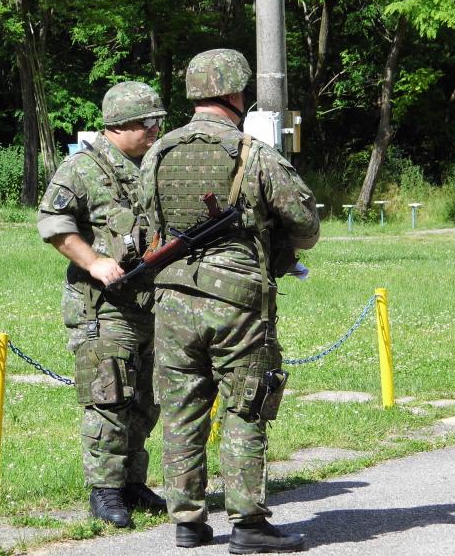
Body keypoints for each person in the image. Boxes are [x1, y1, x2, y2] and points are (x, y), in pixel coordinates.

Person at [140, 49, 320, 553]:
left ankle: (187, 522)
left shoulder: (156, 154)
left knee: (181, 409)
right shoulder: (253, 153)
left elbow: (145, 221)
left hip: (172, 299)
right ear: (237, 93)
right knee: (245, 406)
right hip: (237, 303)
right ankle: (248, 525)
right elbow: (306, 226)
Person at [38, 81, 168, 528]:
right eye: (147, 123)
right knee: (110, 397)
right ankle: (105, 490)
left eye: (158, 122)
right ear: (118, 126)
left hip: (149, 302)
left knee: (146, 399)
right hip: (103, 305)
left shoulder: (153, 165)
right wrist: (93, 261)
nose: (154, 130)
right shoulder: (82, 168)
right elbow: (52, 223)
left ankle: (133, 483)